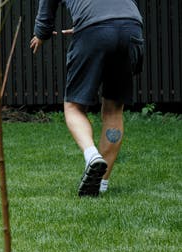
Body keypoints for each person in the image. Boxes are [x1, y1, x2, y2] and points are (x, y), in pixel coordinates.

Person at [30, 0, 144, 196]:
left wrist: (41, 33)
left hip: (94, 30)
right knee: (114, 108)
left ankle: (92, 156)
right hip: (131, 28)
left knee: (73, 106)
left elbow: (46, 9)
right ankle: (101, 184)